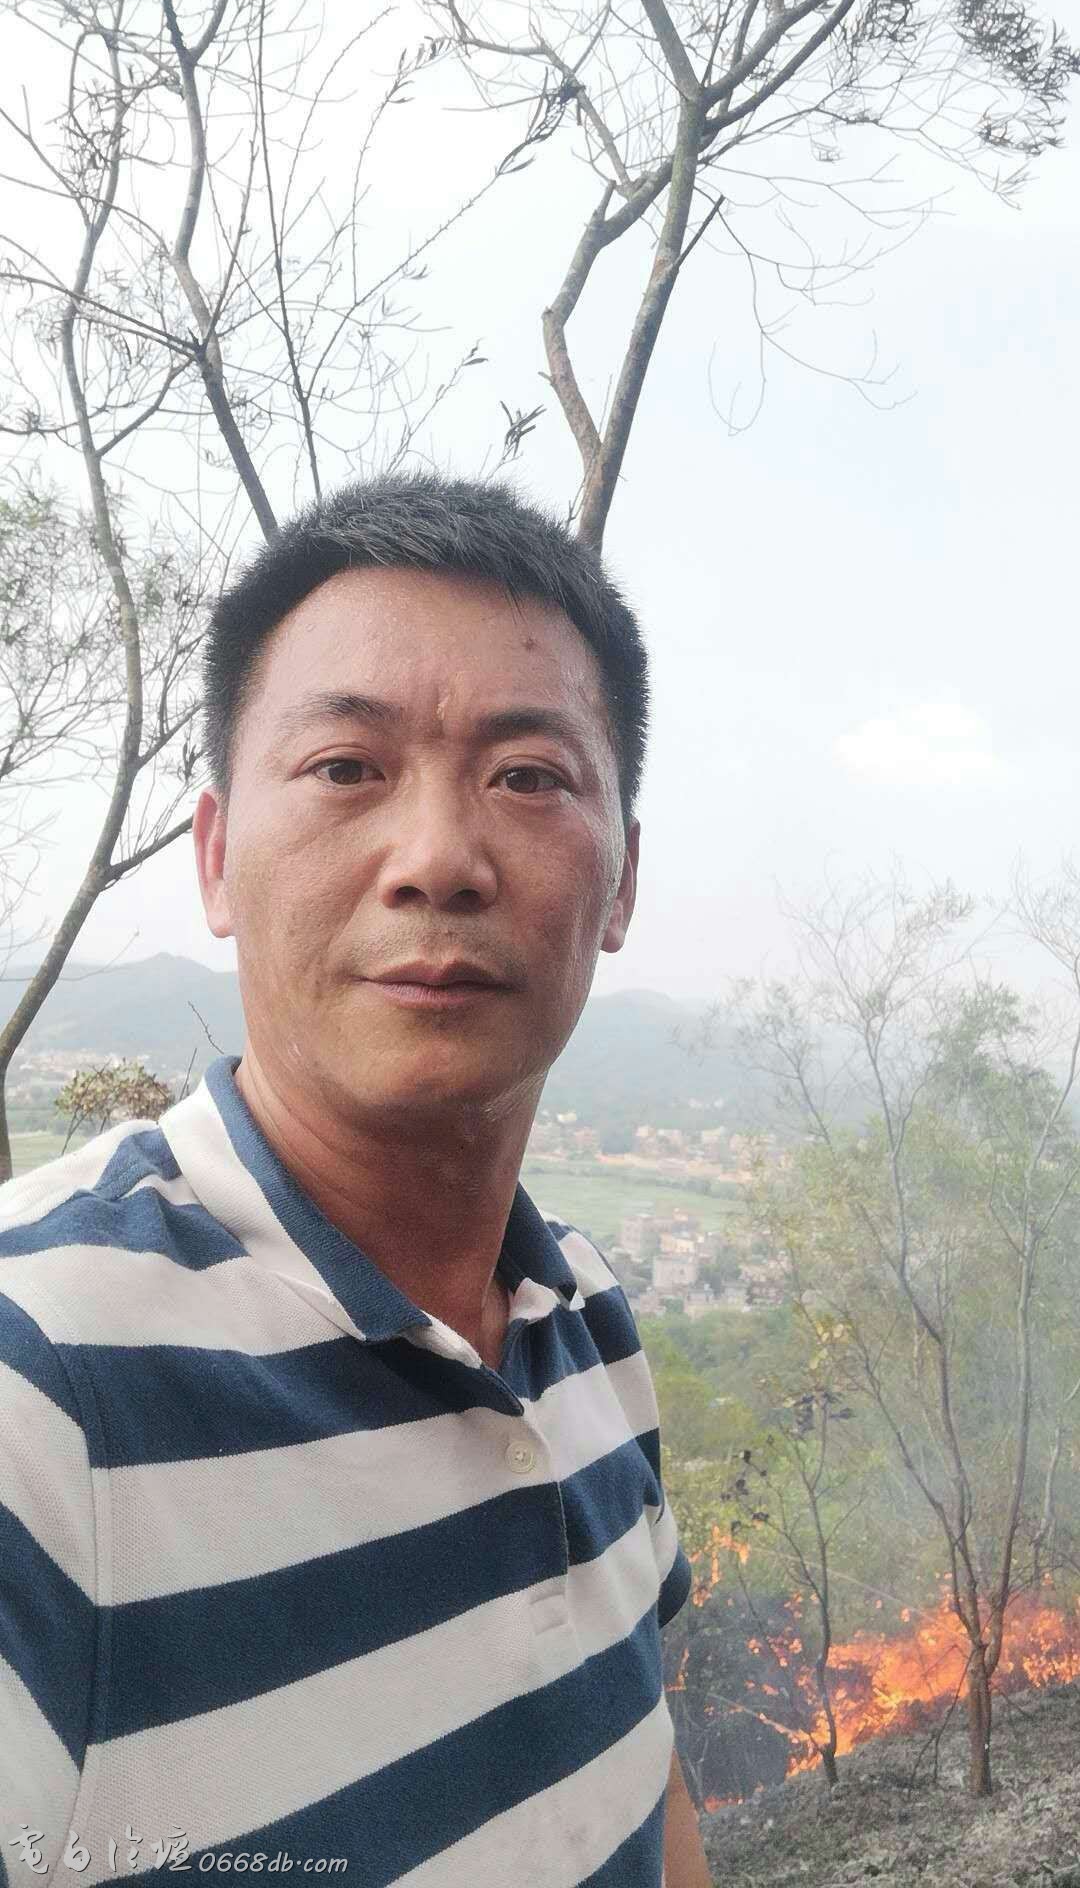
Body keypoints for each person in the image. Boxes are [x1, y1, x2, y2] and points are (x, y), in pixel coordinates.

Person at [0, 474, 710, 1887]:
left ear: (622, 882)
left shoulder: (587, 1316)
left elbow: (646, 1774)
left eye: (529, 777)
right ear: (216, 859)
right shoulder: (40, 1390)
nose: (438, 859)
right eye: (345, 768)